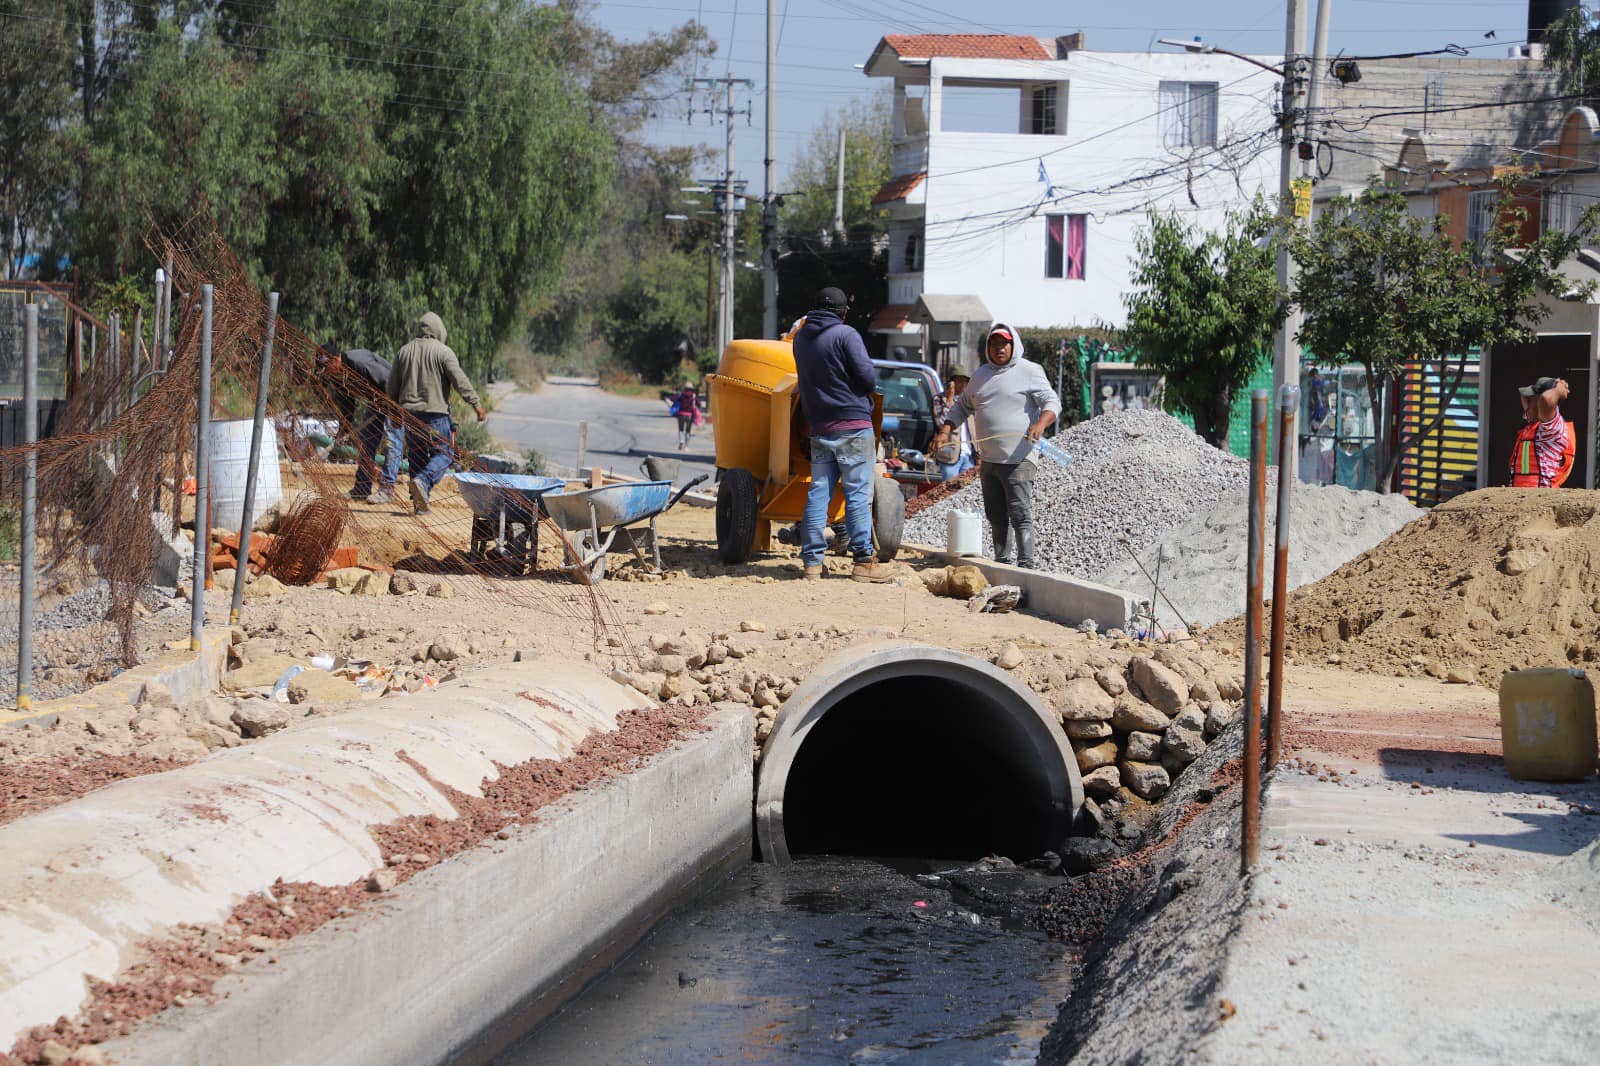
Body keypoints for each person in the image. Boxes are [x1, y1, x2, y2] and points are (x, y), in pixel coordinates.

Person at [930, 324, 1060, 569]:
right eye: (994, 344)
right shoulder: (980, 376)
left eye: (1004, 343)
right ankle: (1003, 562)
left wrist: (1041, 423)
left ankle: (1026, 564)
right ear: (988, 347)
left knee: (1020, 513)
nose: (999, 348)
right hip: (989, 460)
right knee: (996, 515)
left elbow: (1051, 401)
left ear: (1014, 345)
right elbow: (962, 406)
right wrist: (945, 430)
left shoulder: (1030, 371)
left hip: (1019, 458)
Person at [792, 286, 893, 583]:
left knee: (818, 493)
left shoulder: (800, 339)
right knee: (858, 494)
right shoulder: (846, 335)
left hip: (820, 427)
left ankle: (812, 564)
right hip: (852, 425)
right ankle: (863, 562)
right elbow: (867, 378)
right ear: (843, 313)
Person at [387, 311, 485, 514]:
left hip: (410, 415)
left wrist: (395, 415)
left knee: (417, 456)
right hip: (436, 416)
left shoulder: (403, 351)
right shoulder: (444, 352)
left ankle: (419, 505)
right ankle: (423, 481)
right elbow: (460, 381)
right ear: (439, 330)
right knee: (446, 453)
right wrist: (476, 403)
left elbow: (392, 389)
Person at [320, 344, 401, 504]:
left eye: (326, 367)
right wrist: (343, 429)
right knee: (367, 440)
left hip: (395, 397)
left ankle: (387, 489)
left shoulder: (359, 362)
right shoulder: (339, 375)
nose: (326, 372)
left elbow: (388, 380)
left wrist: (393, 407)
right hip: (376, 401)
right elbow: (347, 405)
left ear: (336, 359)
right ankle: (361, 489)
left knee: (391, 441)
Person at [1510, 375, 1576, 488]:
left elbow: (1546, 398)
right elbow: (1523, 395)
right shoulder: (1533, 423)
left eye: (1531, 399)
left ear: (1540, 402)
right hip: (1519, 497)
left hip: (1540, 496)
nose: (1527, 403)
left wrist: (1560, 388)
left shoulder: (1552, 428)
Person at [931, 364, 975, 480]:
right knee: (948, 490)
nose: (964, 384)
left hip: (969, 455)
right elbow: (941, 423)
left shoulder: (969, 402)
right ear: (952, 382)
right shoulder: (939, 400)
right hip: (949, 456)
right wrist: (949, 399)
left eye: (966, 381)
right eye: (960, 380)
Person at [670, 382, 702, 451]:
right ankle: (686, 446)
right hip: (690, 415)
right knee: (688, 431)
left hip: (681, 414)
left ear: (684, 388)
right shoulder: (693, 395)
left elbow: (672, 399)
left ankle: (681, 441)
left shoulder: (681, 394)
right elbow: (699, 404)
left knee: (681, 429)